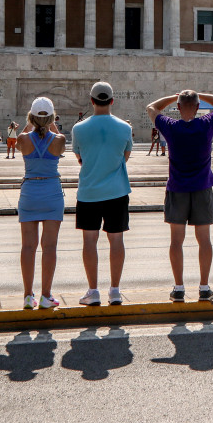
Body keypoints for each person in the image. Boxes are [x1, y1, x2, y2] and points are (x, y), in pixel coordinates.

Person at [147, 89, 213, 303]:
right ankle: (204, 287)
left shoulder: (171, 127)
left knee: (176, 241)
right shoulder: (206, 124)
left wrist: (173, 97)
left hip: (177, 188)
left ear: (179, 107)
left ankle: (179, 287)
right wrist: (201, 95)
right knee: (204, 240)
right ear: (198, 107)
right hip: (202, 188)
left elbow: (152, 108)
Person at [70, 81, 133, 306]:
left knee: (89, 241)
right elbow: (125, 157)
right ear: (112, 101)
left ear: (92, 100)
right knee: (116, 240)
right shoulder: (125, 127)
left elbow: (80, 158)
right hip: (117, 191)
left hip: (89, 192)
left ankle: (93, 291)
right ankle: (115, 291)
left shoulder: (78, 129)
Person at [17, 97, 66, 310]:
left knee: (28, 247)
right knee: (50, 247)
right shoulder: (59, 140)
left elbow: (29, 132)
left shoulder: (22, 139)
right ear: (52, 117)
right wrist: (49, 122)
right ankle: (46, 295)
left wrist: (33, 122)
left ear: (30, 116)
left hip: (29, 192)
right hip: (52, 193)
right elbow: (53, 132)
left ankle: (28, 295)